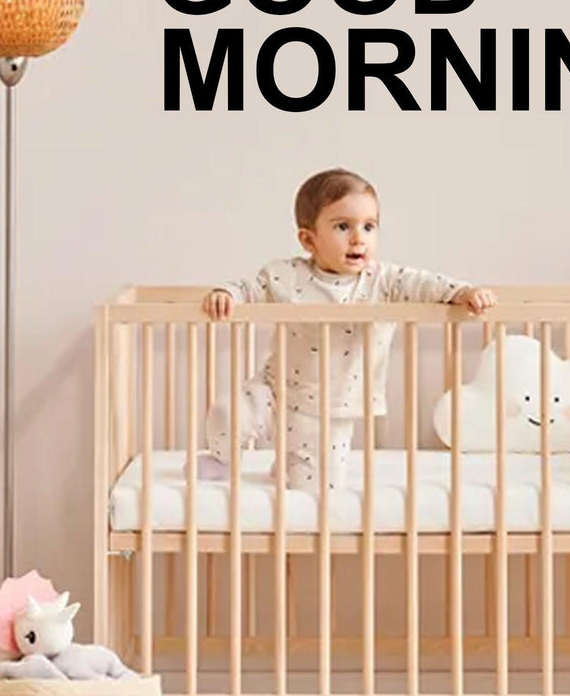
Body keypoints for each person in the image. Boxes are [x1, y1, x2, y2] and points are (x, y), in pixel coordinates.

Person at [196, 168, 496, 493]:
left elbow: (427, 284)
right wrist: (225, 294)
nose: (358, 238)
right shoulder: (286, 275)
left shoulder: (383, 280)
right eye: (343, 226)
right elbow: (248, 287)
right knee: (227, 413)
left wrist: (464, 293)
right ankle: (221, 460)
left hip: (332, 411)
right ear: (309, 240)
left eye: (369, 227)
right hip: (276, 389)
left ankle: (290, 462)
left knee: (315, 489)